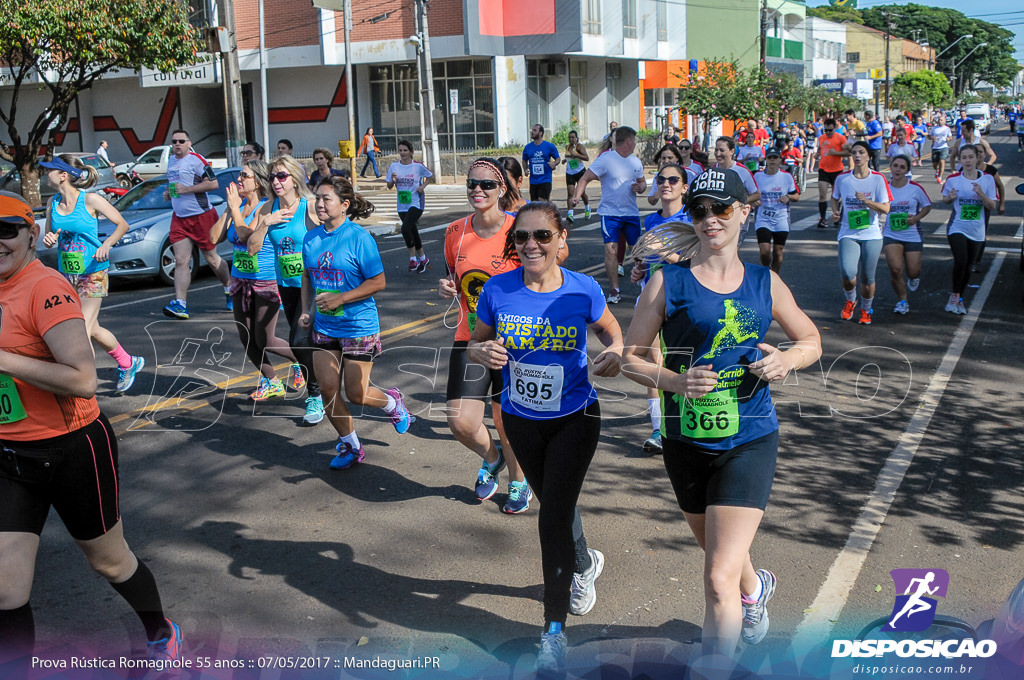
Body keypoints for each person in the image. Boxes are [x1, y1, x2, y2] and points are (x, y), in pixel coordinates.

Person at [620, 168, 821, 669]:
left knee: (715, 579)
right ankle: (755, 588)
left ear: (744, 213)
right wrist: (673, 382)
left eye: (722, 208)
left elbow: (811, 341)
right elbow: (631, 357)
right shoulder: (669, 282)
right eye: (700, 210)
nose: (711, 219)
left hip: (749, 436)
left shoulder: (764, 282)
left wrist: (786, 361)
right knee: (721, 558)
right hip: (686, 438)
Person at [0, 190, 183, 668]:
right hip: (10, 454)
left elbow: (82, 379)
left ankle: (160, 631)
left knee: (109, 561)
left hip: (73, 449)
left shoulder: (46, 289)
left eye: (7, 231)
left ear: (32, 235)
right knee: (4, 587)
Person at [469, 202, 623, 674]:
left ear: (561, 241)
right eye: (522, 237)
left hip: (576, 417)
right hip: (520, 418)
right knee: (554, 502)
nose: (531, 245)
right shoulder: (497, 290)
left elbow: (612, 333)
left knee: (551, 517)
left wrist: (614, 353)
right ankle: (585, 561)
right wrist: (484, 350)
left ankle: (552, 632)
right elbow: (475, 343)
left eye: (541, 236)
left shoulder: (583, 289)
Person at [300, 176, 413, 469]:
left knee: (357, 394)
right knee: (326, 390)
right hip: (325, 326)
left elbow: (378, 281)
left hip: (358, 326)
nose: (320, 204)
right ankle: (351, 446)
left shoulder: (359, 238)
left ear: (344, 204)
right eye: (318, 198)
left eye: (326, 199)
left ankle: (392, 403)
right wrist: (307, 310)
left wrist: (341, 299)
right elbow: (306, 277)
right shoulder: (311, 238)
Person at [438, 158, 530, 512]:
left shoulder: (518, 231)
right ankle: (492, 459)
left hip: (515, 341)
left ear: (502, 190)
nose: (478, 190)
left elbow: (542, 273)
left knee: (508, 422)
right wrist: (447, 286)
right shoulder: (454, 232)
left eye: (487, 185)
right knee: (460, 421)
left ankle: (519, 482)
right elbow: (453, 271)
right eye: (472, 184)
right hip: (471, 337)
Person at [39, 155, 145, 392]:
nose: (46, 174)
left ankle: (83, 388)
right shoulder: (52, 203)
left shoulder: (90, 200)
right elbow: (50, 238)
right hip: (68, 275)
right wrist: (49, 239)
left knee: (80, 330)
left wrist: (106, 245)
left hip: (93, 272)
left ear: (63, 175)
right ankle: (128, 362)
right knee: (93, 328)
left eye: (50, 171)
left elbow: (122, 224)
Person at [249, 156, 323, 411]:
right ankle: (322, 384)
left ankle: (315, 395)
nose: (276, 181)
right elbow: (251, 248)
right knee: (302, 341)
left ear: (294, 179)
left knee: (300, 340)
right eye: (272, 177)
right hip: (287, 286)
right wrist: (265, 224)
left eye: (282, 176)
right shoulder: (268, 208)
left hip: (313, 285)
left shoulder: (311, 207)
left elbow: (333, 232)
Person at [631, 162, 691, 455]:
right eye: (661, 179)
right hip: (652, 296)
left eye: (673, 179)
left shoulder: (692, 221)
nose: (665, 183)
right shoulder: (650, 221)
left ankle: (685, 418)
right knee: (653, 358)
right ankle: (659, 429)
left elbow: (693, 263)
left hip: (682, 297)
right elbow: (646, 259)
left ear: (684, 187)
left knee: (676, 361)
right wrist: (639, 270)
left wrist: (664, 252)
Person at [569, 126, 646, 305]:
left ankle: (644, 285)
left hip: (631, 213)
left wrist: (640, 188)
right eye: (634, 140)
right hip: (610, 214)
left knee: (637, 252)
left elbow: (642, 184)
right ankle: (615, 289)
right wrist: (577, 197)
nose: (635, 144)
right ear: (628, 142)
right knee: (611, 251)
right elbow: (584, 178)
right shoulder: (606, 159)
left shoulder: (635, 162)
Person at [160, 130, 231, 319]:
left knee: (212, 259)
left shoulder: (196, 160)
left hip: (201, 216)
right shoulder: (172, 161)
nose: (177, 144)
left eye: (181, 141)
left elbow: (213, 184)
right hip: (180, 218)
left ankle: (229, 288)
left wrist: (187, 189)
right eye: (174, 141)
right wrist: (170, 193)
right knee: (181, 260)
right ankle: (181, 304)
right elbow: (176, 186)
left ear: (189, 143)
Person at [830, 141, 892, 325]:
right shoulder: (843, 179)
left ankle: (866, 309)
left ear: (868, 157)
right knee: (848, 274)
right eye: (854, 152)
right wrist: (835, 212)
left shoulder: (878, 179)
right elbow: (834, 198)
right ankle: (850, 300)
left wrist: (866, 201)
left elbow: (886, 208)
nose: (857, 156)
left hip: (871, 233)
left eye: (861, 152)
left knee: (867, 277)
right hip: (848, 233)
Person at [941, 145, 997, 315]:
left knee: (969, 266)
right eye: (963, 157)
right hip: (957, 226)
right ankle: (954, 297)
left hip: (977, 230)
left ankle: (959, 297)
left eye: (970, 157)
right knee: (961, 261)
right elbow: (945, 199)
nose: (967, 161)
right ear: (960, 160)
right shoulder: (953, 179)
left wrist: (982, 194)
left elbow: (991, 205)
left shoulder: (987, 180)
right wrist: (949, 198)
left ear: (977, 158)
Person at [882, 155, 930, 315]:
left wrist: (916, 218)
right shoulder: (884, 188)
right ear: (891, 167)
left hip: (912, 234)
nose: (898, 169)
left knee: (913, 271)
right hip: (891, 233)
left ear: (907, 170)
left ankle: (914, 277)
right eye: (895, 166)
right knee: (895, 269)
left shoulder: (915, 188)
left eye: (902, 167)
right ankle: (902, 301)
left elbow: (927, 205)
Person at [385, 140, 434, 272]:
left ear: (411, 152)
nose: (402, 153)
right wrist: (393, 180)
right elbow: (389, 186)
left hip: (416, 202)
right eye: (400, 150)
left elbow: (430, 175)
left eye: (405, 150)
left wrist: (422, 186)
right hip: (402, 204)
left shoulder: (417, 166)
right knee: (412, 231)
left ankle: (413, 259)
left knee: (405, 228)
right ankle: (423, 258)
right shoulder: (394, 166)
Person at [753, 149, 799, 274]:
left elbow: (796, 196)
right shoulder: (757, 176)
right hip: (763, 217)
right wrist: (753, 201)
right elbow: (749, 194)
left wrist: (788, 197)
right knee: (764, 251)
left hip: (781, 218)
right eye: (769, 158)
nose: (772, 160)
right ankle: (767, 270)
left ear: (780, 160)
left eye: (775, 157)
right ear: (766, 160)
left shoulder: (786, 176)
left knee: (778, 252)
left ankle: (775, 277)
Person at [815, 119, 849, 228]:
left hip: (837, 170)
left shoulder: (841, 138)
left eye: (830, 130)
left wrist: (836, 153)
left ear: (834, 128)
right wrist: (817, 154)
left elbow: (849, 152)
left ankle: (836, 216)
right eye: (826, 130)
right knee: (822, 194)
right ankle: (823, 218)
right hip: (823, 169)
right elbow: (820, 149)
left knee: (836, 196)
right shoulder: (821, 138)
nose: (828, 132)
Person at [711, 137, 761, 207]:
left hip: (736, 215)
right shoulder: (711, 171)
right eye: (716, 150)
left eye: (722, 150)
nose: (718, 154)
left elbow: (757, 194)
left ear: (732, 151)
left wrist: (740, 202)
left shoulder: (742, 171)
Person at [521, 124, 560, 203]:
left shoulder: (549, 146)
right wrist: (525, 169)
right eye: (532, 130)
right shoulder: (528, 147)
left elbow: (558, 159)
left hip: (545, 179)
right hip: (533, 180)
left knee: (541, 201)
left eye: (535, 130)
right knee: (535, 203)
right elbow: (524, 160)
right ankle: (551, 207)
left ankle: (549, 208)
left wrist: (554, 164)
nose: (532, 132)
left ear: (541, 133)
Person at [562, 130, 590, 223]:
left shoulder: (580, 147)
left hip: (580, 171)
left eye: (573, 137)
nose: (571, 139)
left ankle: (587, 207)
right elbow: (569, 157)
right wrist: (565, 160)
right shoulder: (567, 147)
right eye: (569, 137)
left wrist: (576, 154)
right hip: (570, 172)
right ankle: (570, 214)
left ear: (577, 138)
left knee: (581, 193)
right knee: (570, 193)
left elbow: (586, 158)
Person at [929, 115, 953, 185]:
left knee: (942, 160)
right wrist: (932, 138)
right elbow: (929, 136)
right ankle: (937, 170)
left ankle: (940, 176)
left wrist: (947, 139)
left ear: (944, 121)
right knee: (935, 164)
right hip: (935, 147)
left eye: (941, 120)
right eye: (939, 120)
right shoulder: (934, 128)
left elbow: (950, 137)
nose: (940, 121)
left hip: (944, 147)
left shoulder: (947, 128)